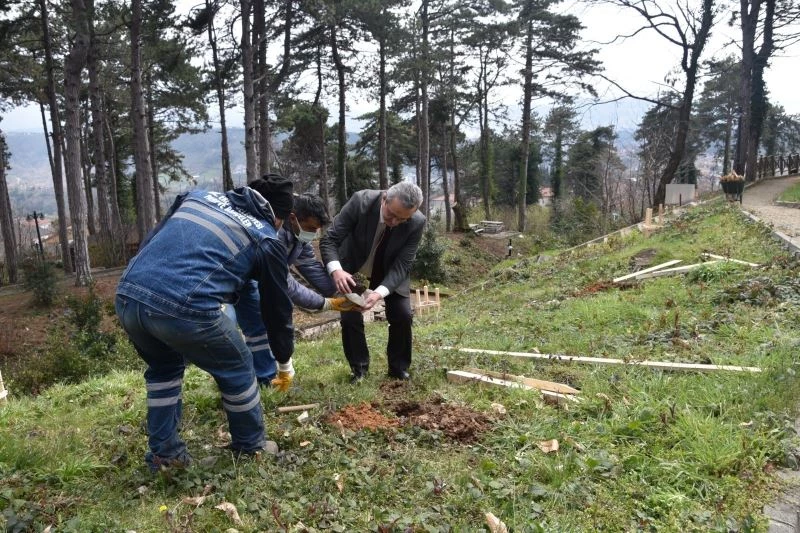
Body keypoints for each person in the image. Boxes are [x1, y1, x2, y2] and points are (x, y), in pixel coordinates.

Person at [115, 175, 295, 472]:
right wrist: (284, 359)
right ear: (281, 217)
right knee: (237, 366)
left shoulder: (195, 197)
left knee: (164, 370)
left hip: (128, 295)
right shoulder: (265, 236)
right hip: (184, 307)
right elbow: (277, 308)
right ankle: (251, 448)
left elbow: (151, 241)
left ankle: (165, 457)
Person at [230, 193, 358, 387]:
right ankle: (262, 379)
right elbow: (284, 282)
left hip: (261, 277)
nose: (313, 234)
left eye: (317, 230)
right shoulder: (275, 235)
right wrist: (325, 304)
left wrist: (339, 291)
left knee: (268, 321)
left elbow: (310, 266)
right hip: (242, 276)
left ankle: (267, 375)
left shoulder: (299, 237)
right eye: (311, 228)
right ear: (293, 218)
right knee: (258, 324)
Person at [320, 181, 425, 383]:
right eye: (391, 215)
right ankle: (359, 369)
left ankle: (398, 368)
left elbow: (403, 265)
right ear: (384, 198)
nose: (394, 222)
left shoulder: (417, 222)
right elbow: (329, 239)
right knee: (350, 316)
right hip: (350, 268)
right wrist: (337, 271)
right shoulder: (361, 202)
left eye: (402, 219)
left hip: (389, 272)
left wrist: (378, 293)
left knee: (402, 315)